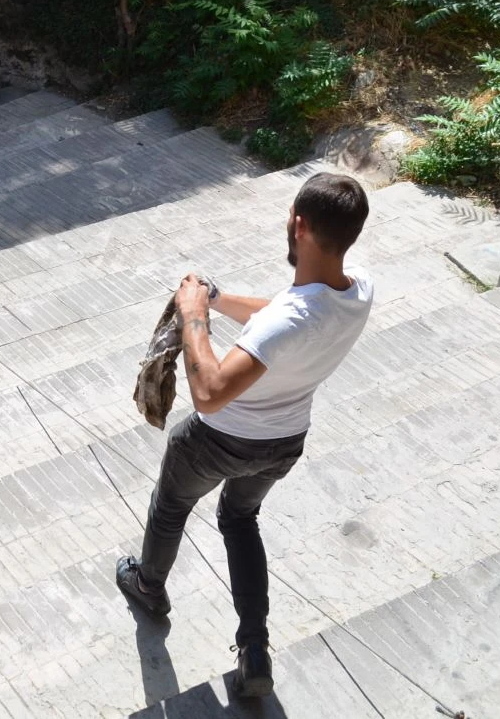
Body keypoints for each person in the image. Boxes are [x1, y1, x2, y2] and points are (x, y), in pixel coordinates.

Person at [115, 172, 373, 699]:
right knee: (239, 518)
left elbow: (210, 392)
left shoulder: (290, 321)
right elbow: (279, 315)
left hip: (218, 441)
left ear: (298, 225)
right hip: (285, 443)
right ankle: (254, 647)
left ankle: (149, 586)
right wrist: (218, 298)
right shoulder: (358, 290)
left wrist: (193, 318)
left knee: (171, 506)